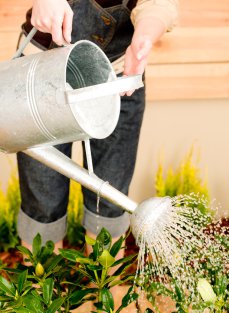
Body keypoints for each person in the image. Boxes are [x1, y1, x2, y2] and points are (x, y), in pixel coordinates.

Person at [17, 0, 178, 252]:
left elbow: (158, 4)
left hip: (117, 79)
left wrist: (144, 37)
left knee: (109, 201)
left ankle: (102, 289)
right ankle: (42, 288)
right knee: (42, 203)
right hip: (41, 77)